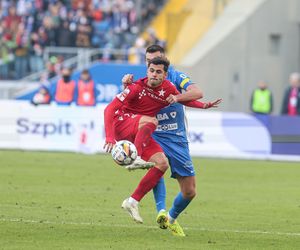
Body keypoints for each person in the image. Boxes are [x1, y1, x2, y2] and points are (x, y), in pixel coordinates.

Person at [104, 57, 220, 236]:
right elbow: (109, 109)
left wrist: (203, 106)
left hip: (141, 130)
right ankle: (138, 157)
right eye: (151, 70)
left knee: (162, 163)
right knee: (152, 120)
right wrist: (110, 137)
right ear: (147, 70)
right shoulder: (136, 87)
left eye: (158, 72)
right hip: (123, 124)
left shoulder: (168, 88)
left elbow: (183, 100)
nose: (154, 74)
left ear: (165, 75)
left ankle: (133, 201)